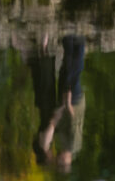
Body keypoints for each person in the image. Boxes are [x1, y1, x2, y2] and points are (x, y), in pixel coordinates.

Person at [31, 34, 86, 174]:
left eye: (53, 161)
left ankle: (70, 42)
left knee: (66, 74)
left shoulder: (48, 145)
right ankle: (75, 43)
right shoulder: (69, 146)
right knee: (69, 75)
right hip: (68, 104)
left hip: (54, 105)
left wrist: (62, 107)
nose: (55, 159)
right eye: (59, 161)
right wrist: (65, 105)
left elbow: (53, 124)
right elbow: (72, 122)